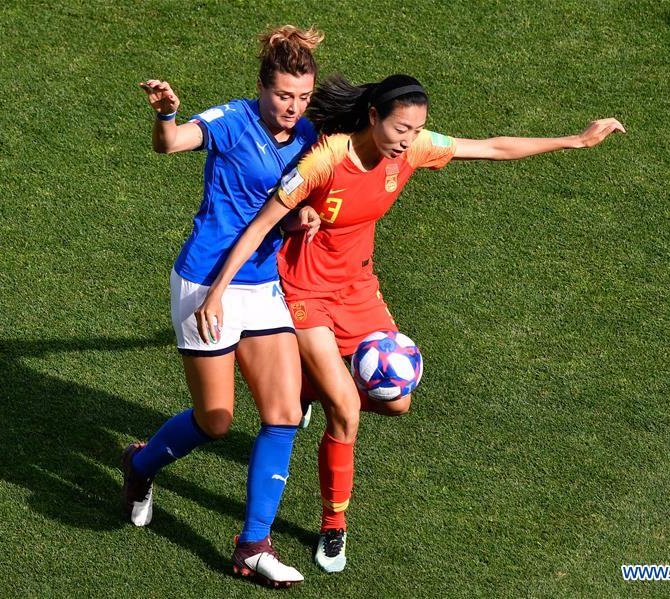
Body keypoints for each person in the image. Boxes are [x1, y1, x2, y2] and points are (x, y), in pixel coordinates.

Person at [194, 73, 626, 573]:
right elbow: (264, 222)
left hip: (358, 290)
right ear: (373, 117)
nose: (407, 139)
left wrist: (574, 139)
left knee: (395, 401)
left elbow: (490, 147)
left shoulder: (414, 150)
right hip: (305, 292)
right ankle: (334, 525)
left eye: (417, 129)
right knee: (348, 414)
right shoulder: (327, 159)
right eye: (401, 128)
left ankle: (308, 389)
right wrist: (218, 291)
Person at [121, 25, 324, 587]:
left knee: (282, 416)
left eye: (302, 97)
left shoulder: (307, 134)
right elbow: (173, 144)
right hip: (205, 282)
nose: (293, 107)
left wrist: (297, 216)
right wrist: (165, 114)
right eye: (284, 95)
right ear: (261, 87)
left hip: (260, 286)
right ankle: (139, 465)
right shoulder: (230, 120)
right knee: (215, 421)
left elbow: (284, 202)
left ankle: (252, 546)